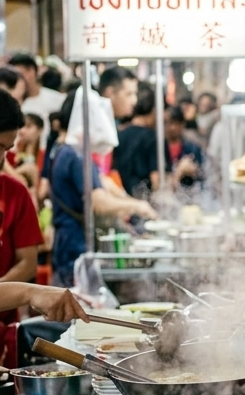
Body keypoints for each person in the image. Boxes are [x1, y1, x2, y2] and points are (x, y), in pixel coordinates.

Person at [49, 91, 155, 286]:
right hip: (75, 246)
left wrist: (128, 201)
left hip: (69, 242)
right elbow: (98, 202)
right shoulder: (76, 156)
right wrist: (138, 207)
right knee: (76, 307)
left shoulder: (65, 150)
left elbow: (103, 182)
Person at [0, 93, 48, 323]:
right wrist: (28, 293)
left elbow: (28, 264)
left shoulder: (14, 192)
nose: (2, 158)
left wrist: (4, 295)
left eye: (6, 149)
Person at [113, 84, 158, 198]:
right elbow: (156, 180)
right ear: (153, 110)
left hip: (122, 199)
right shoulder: (152, 137)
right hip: (144, 203)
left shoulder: (118, 134)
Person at [8, 54, 64, 135]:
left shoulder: (57, 99)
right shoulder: (10, 103)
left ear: (32, 71)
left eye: (20, 74)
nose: (17, 80)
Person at [164, 106, 204, 188]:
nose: (170, 127)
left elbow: (201, 174)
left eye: (174, 123)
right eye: (166, 123)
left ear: (182, 125)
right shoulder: (159, 149)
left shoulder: (192, 149)